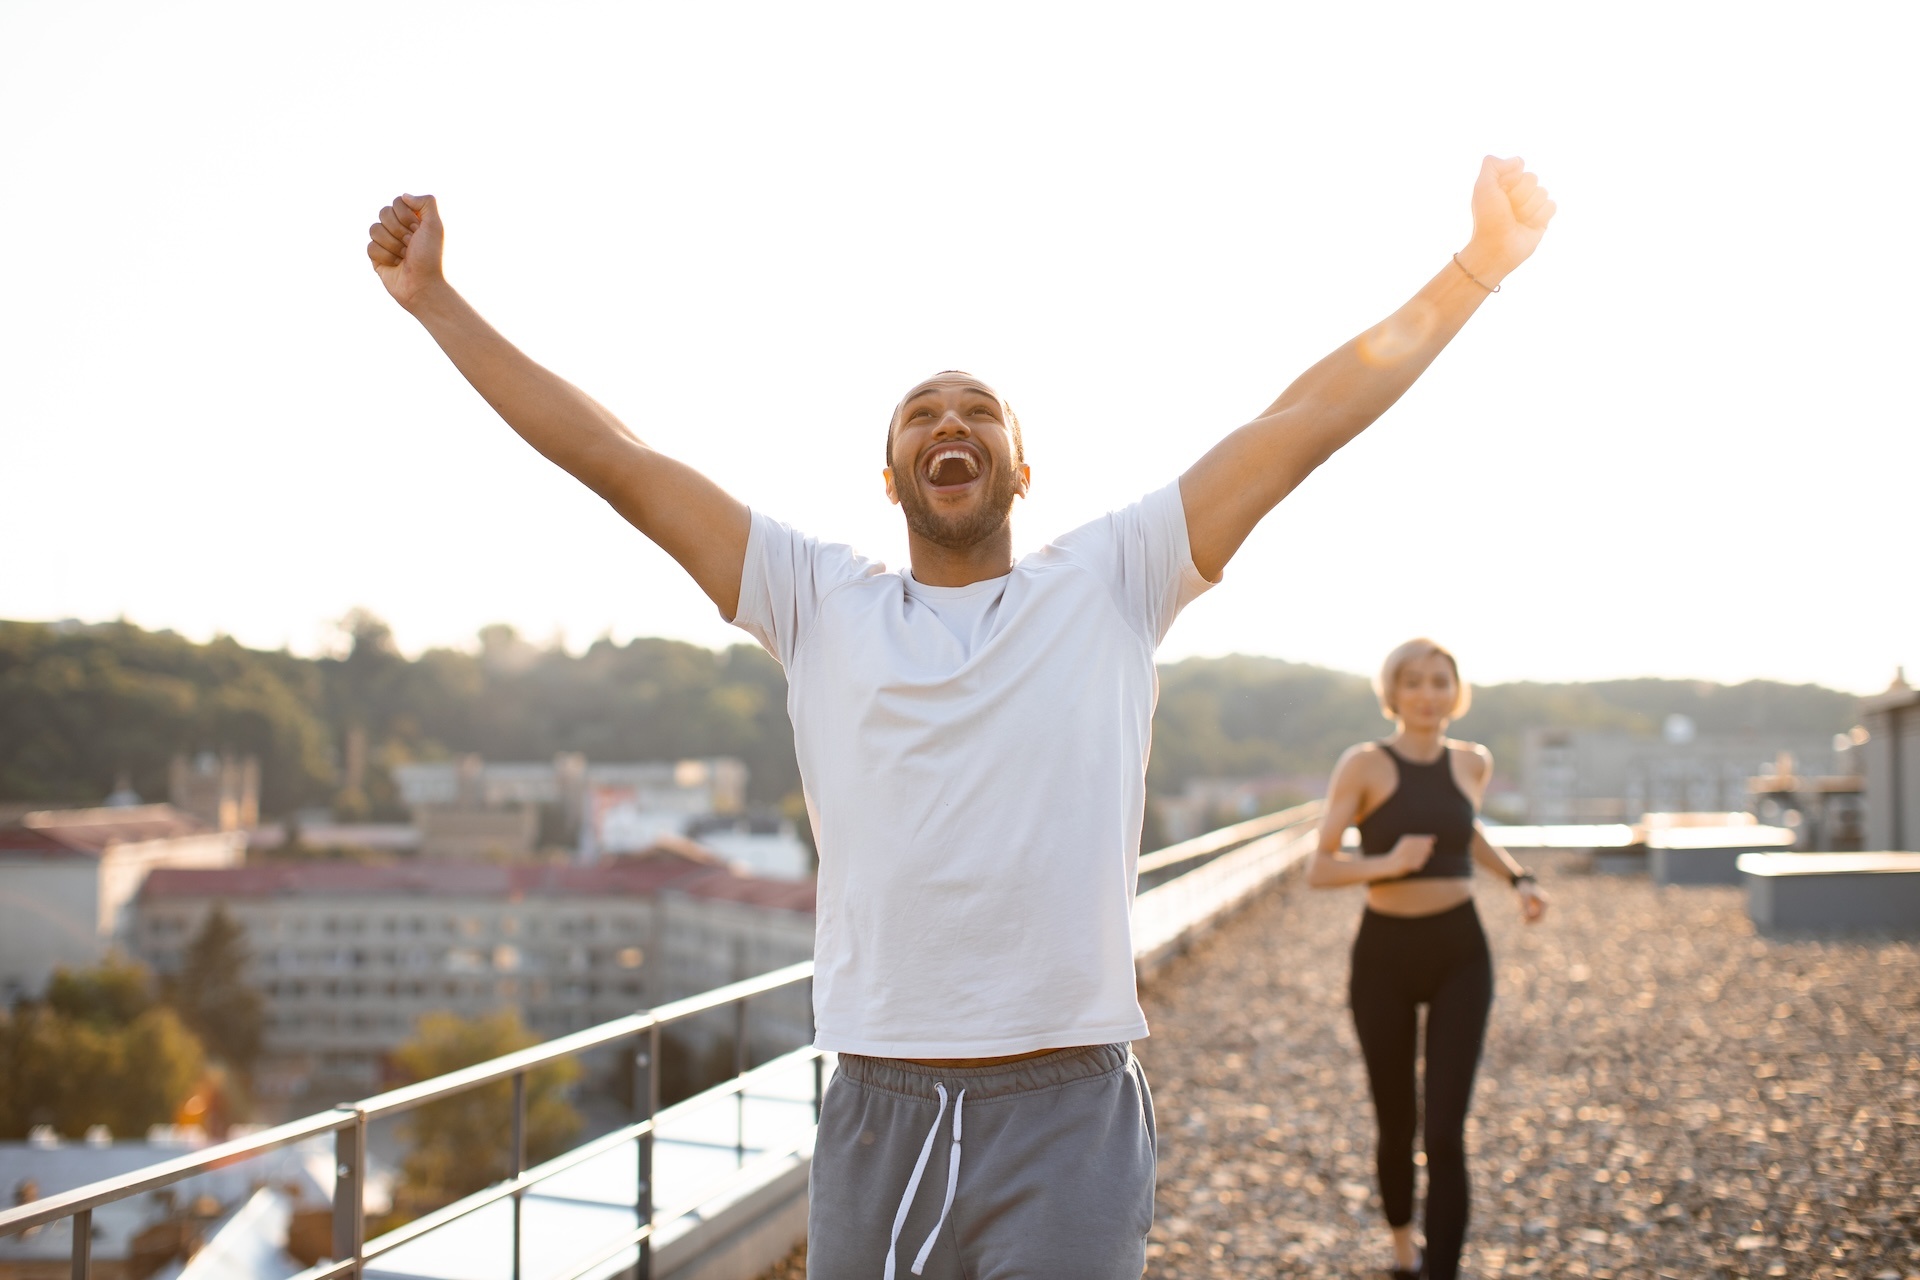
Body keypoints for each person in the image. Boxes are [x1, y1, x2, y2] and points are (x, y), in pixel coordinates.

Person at [364, 157, 1554, 1279]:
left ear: (1020, 469)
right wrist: (438, 304)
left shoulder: (1117, 577)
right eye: (922, 413)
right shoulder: (814, 598)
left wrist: (1476, 268)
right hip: (879, 1103)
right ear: (891, 475)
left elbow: (1303, 421)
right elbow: (615, 456)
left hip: (1067, 1103)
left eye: (979, 410)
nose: (950, 422)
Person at [1307, 639, 1550, 1280]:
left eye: (1440, 681)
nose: (1427, 693)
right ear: (1393, 693)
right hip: (1383, 957)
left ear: (1455, 692)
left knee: (1444, 1132)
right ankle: (1400, 1251)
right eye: (1413, 682)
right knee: (1396, 1120)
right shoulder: (1363, 765)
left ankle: (1443, 1271)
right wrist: (1388, 862)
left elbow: (1465, 828)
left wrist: (1519, 880)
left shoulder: (1473, 763)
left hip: (1460, 954)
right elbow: (1320, 866)